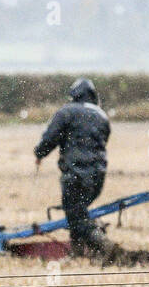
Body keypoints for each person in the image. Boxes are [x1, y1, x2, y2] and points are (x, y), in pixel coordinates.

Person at [32, 78, 114, 257]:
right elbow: (104, 139)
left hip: (75, 175)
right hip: (98, 176)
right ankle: (77, 253)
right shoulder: (102, 115)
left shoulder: (67, 112)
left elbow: (50, 138)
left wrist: (39, 154)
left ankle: (103, 243)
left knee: (75, 216)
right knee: (78, 211)